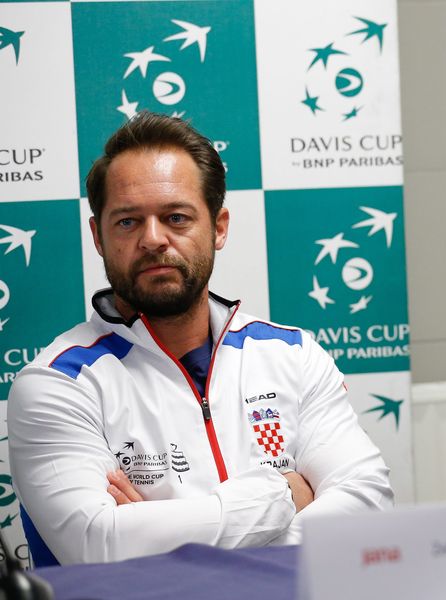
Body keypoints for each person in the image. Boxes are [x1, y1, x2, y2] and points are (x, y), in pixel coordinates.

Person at [8, 112, 393, 564]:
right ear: (98, 236)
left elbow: (368, 501)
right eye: (128, 222)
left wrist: (158, 534)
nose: (153, 239)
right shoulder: (58, 383)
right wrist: (285, 495)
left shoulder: (292, 355)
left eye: (176, 217)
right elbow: (99, 544)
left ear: (219, 227)